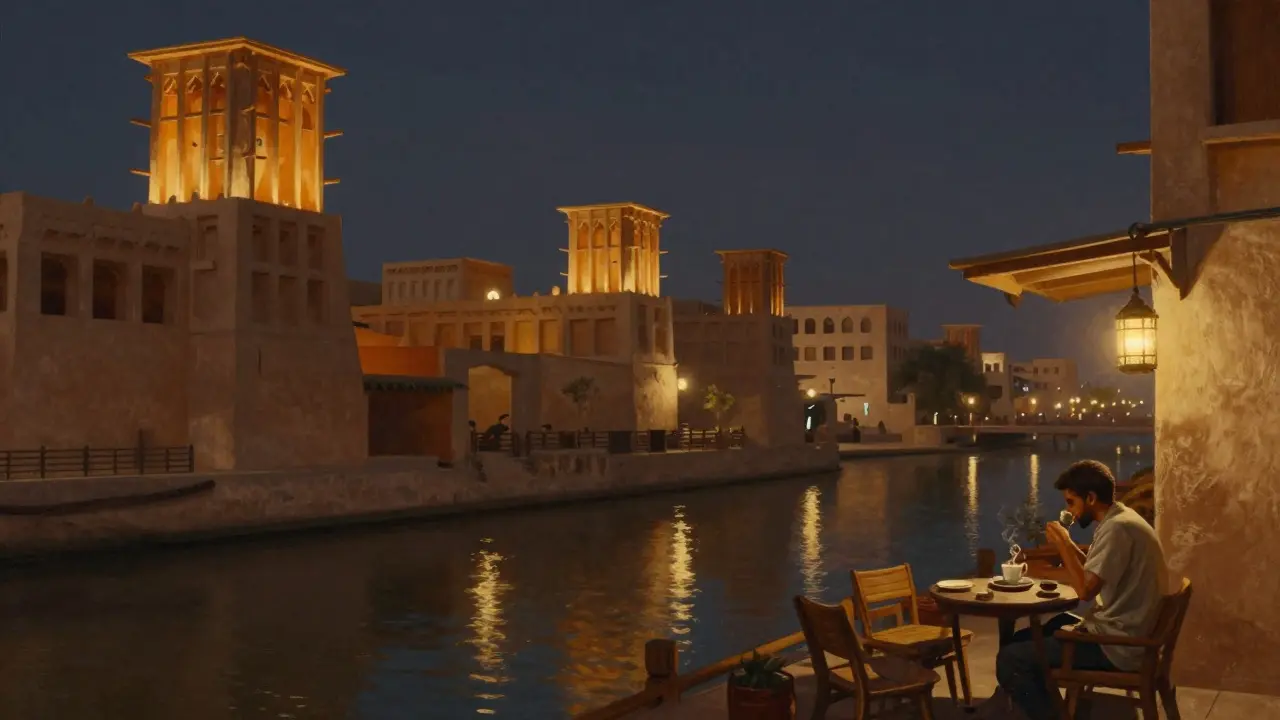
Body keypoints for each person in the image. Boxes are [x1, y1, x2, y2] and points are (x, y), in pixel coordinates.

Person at [992, 459, 1167, 720]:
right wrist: (1069, 542)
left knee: (1010, 658)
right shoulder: (1120, 520)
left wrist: (1063, 542)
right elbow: (1093, 572)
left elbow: (1085, 589)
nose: (1069, 511)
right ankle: (1023, 707)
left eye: (1071, 502)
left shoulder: (1118, 529)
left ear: (1091, 498)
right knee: (1027, 638)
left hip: (1119, 647)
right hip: (1130, 634)